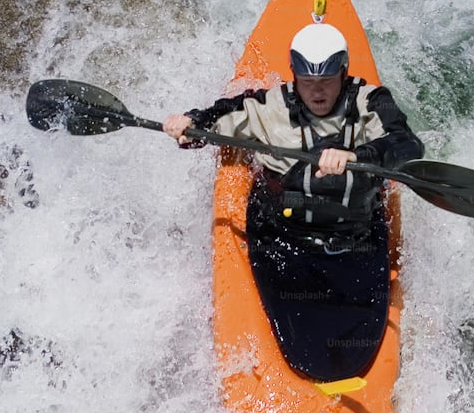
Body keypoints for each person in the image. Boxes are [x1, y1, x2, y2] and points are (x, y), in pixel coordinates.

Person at [162, 23, 424, 253]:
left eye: (327, 80)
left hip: (357, 240)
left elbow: (407, 144)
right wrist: (190, 123)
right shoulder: (271, 105)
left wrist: (356, 156)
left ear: (344, 73)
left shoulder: (371, 101)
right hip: (282, 241)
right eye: (307, 81)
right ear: (294, 74)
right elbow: (219, 117)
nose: (317, 91)